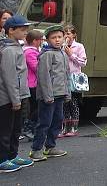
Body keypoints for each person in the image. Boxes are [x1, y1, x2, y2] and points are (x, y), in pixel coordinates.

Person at [30, 24, 69, 161]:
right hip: (48, 96)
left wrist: (67, 93)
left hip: (60, 94)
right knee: (44, 122)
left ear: (64, 38)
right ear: (47, 40)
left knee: (57, 121)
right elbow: (44, 76)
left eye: (59, 37)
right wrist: (48, 95)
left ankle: (50, 146)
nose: (57, 40)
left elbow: (66, 75)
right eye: (54, 37)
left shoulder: (63, 54)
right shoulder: (46, 55)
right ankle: (36, 149)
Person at [0, 16, 35, 172]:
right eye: (22, 29)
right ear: (11, 30)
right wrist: (15, 99)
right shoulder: (8, 50)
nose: (25, 32)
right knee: (5, 130)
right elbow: (10, 77)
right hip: (7, 98)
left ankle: (12, 156)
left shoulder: (16, 46)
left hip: (18, 96)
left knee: (16, 128)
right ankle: (2, 160)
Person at [61, 25, 86, 137]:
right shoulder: (62, 46)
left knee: (73, 102)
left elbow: (83, 63)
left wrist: (71, 55)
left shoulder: (79, 46)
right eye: (65, 33)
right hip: (63, 77)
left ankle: (74, 128)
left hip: (74, 78)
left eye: (69, 33)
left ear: (74, 35)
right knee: (64, 103)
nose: (67, 35)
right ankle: (65, 128)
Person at [21, 30, 43, 141]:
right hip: (32, 84)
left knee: (35, 107)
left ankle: (32, 129)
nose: (41, 42)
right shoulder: (30, 52)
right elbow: (36, 68)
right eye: (40, 40)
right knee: (37, 107)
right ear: (35, 41)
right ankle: (27, 127)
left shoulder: (30, 51)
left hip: (32, 83)